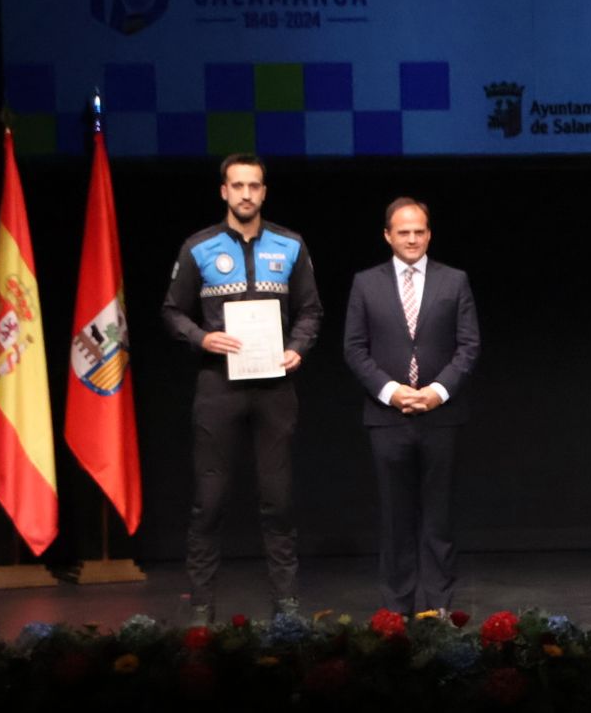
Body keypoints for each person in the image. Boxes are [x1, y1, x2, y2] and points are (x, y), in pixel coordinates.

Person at [161, 154, 322, 624]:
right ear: (224, 192)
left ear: (264, 192)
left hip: (274, 385)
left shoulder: (290, 245)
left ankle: (286, 602)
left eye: (254, 185)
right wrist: (201, 337)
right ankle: (203, 603)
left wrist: (298, 347)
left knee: (279, 499)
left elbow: (312, 310)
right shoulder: (199, 247)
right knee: (209, 502)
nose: (246, 194)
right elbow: (172, 312)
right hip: (218, 385)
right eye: (238, 185)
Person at [343, 198, 480, 614]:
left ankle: (438, 606)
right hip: (387, 417)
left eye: (419, 231)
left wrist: (437, 391)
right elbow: (354, 348)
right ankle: (397, 610)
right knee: (395, 520)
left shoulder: (454, 281)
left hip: (442, 416)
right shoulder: (365, 283)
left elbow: (469, 346)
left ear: (429, 233)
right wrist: (390, 391)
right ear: (388, 235)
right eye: (404, 232)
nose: (412, 239)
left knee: (438, 519)